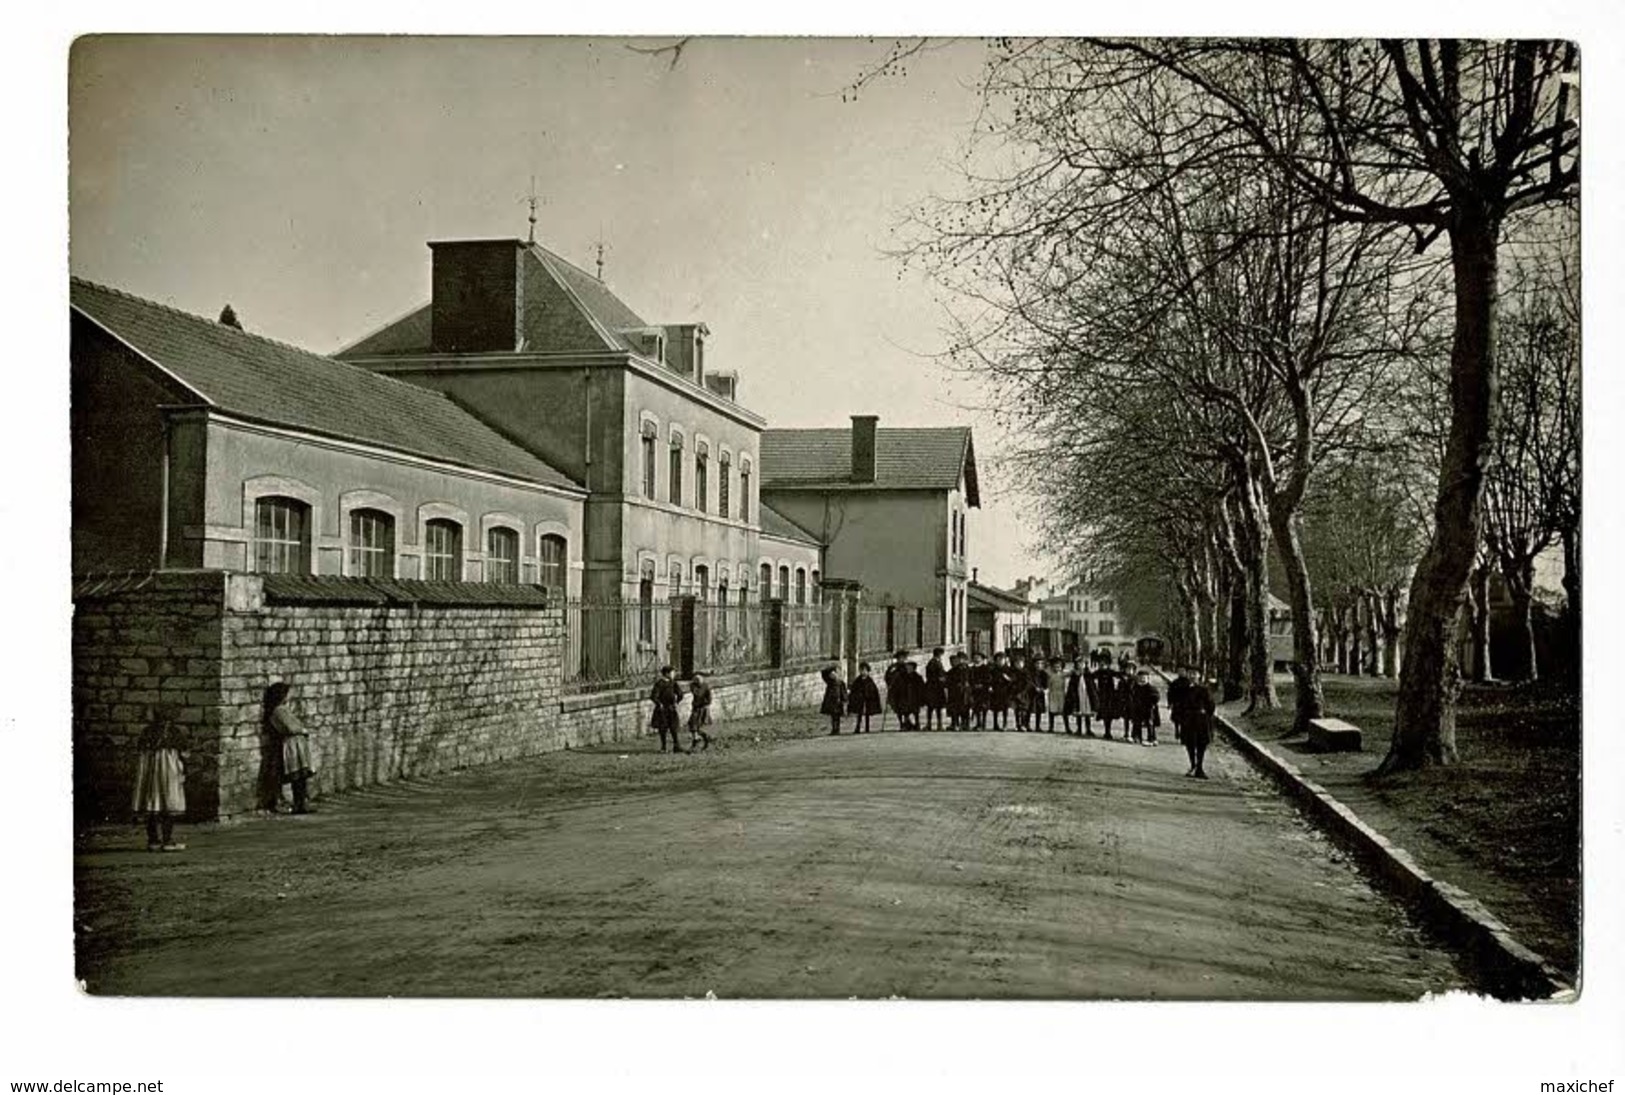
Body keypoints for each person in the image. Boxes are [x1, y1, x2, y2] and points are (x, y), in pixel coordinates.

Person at [132, 705, 188, 851]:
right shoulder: (174, 732)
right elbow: (183, 753)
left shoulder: (147, 731)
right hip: (168, 772)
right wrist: (183, 770)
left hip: (150, 773)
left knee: (152, 804)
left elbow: (140, 751)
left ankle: (153, 841)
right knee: (167, 803)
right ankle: (167, 841)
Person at [265, 681, 317, 814]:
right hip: (292, 745)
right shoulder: (279, 710)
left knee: (301, 776)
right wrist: (302, 730)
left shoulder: (283, 709)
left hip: (297, 744)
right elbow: (291, 727)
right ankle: (299, 804)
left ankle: (301, 803)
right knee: (297, 776)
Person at [1168, 671, 1215, 778]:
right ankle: (1193, 765)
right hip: (1188, 719)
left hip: (1201, 720)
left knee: (1201, 744)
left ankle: (1200, 767)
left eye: (1195, 674)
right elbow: (1178, 704)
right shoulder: (1183, 690)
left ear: (1199, 675)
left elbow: (1211, 705)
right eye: (1190, 674)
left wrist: (1206, 714)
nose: (1193, 676)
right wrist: (1179, 717)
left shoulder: (1204, 689)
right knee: (1190, 743)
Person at [649, 665, 685, 753]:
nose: (674, 674)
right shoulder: (659, 684)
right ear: (667, 674)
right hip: (662, 709)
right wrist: (659, 704)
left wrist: (677, 702)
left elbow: (680, 693)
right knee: (663, 728)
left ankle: (677, 746)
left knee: (674, 727)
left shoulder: (673, 683)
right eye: (672, 673)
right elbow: (654, 696)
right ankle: (664, 747)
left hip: (671, 708)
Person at [1129, 669, 1162, 746]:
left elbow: (1156, 697)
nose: (1142, 679)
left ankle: (1151, 738)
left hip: (1149, 708)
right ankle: (1136, 737)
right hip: (1138, 708)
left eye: (1144, 678)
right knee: (1136, 722)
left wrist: (1151, 702)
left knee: (1150, 723)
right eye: (1140, 678)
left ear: (1148, 679)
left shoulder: (1151, 688)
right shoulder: (1136, 687)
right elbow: (1133, 696)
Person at [848, 662, 882, 733]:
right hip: (860, 700)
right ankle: (857, 727)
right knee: (859, 714)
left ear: (867, 671)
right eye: (861, 670)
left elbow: (873, 690)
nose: (863, 672)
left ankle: (867, 728)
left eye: (864, 670)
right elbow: (854, 690)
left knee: (867, 714)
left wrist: (872, 696)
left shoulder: (870, 681)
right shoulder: (857, 681)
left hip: (868, 700)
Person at [687, 670, 715, 751]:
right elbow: (696, 693)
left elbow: (709, 699)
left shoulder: (705, 686)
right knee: (692, 725)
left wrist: (705, 703)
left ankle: (703, 739)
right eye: (696, 679)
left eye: (699, 679)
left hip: (703, 708)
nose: (698, 680)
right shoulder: (693, 685)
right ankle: (696, 739)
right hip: (696, 708)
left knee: (698, 726)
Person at [945, 651, 973, 731]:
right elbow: (949, 678)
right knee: (956, 708)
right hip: (955, 691)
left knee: (965, 708)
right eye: (958, 659)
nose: (960, 661)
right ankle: (955, 724)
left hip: (965, 692)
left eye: (961, 659)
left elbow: (971, 679)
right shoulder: (954, 670)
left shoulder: (968, 669)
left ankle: (965, 724)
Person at [894, 660, 925, 730]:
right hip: (905, 697)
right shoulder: (902, 677)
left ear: (913, 668)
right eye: (907, 667)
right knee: (905, 711)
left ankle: (917, 724)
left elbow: (921, 688)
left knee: (915, 712)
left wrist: (921, 698)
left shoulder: (917, 677)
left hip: (914, 698)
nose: (908, 669)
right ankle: (906, 724)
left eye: (910, 667)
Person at [884, 649, 910, 727]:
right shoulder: (893, 667)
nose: (902, 659)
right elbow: (887, 677)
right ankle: (901, 722)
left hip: (905, 690)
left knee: (906, 706)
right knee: (897, 707)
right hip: (896, 690)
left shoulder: (907, 667)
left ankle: (906, 720)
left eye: (903, 658)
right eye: (900, 658)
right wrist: (889, 684)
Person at [820, 665, 849, 736]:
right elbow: (823, 674)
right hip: (831, 702)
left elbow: (843, 692)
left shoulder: (840, 683)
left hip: (838, 702)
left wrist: (844, 700)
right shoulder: (829, 682)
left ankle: (837, 729)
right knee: (833, 716)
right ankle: (834, 729)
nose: (833, 676)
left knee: (837, 716)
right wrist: (831, 667)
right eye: (831, 674)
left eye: (834, 674)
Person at [924, 647, 948, 731]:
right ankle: (933, 724)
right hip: (934, 688)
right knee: (933, 707)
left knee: (935, 707)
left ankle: (936, 724)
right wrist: (941, 679)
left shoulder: (936, 662)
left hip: (935, 687)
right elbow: (932, 676)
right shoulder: (933, 663)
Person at [1062, 660, 1088, 736]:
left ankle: (1088, 728)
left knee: (1085, 710)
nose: (1080, 665)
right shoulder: (1073, 674)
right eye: (1078, 664)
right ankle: (1075, 728)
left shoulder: (1086, 673)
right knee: (1073, 711)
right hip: (1074, 694)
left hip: (1084, 694)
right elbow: (1071, 685)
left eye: (1081, 663)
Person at [988, 651, 1013, 731]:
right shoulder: (993, 670)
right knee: (995, 708)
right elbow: (990, 679)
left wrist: (1008, 679)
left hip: (1005, 691)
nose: (1000, 661)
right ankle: (995, 724)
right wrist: (990, 686)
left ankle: (1004, 724)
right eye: (998, 660)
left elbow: (1013, 680)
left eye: (1002, 659)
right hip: (996, 691)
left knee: (1005, 708)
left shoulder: (1008, 669)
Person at [969, 652, 991, 730]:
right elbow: (970, 679)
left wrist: (983, 685)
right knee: (976, 708)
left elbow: (988, 679)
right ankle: (978, 723)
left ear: (981, 659)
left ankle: (983, 723)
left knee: (983, 707)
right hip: (975, 691)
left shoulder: (985, 668)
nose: (976, 659)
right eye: (975, 657)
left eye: (978, 657)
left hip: (983, 691)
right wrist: (973, 685)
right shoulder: (971, 669)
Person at [1045, 657, 1068, 733]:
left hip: (1061, 694)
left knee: (1064, 711)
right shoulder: (1050, 675)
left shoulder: (1063, 675)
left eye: (1058, 667)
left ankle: (1067, 727)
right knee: (1052, 711)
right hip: (1053, 694)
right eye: (1055, 667)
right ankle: (1051, 727)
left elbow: (1072, 673)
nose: (1057, 668)